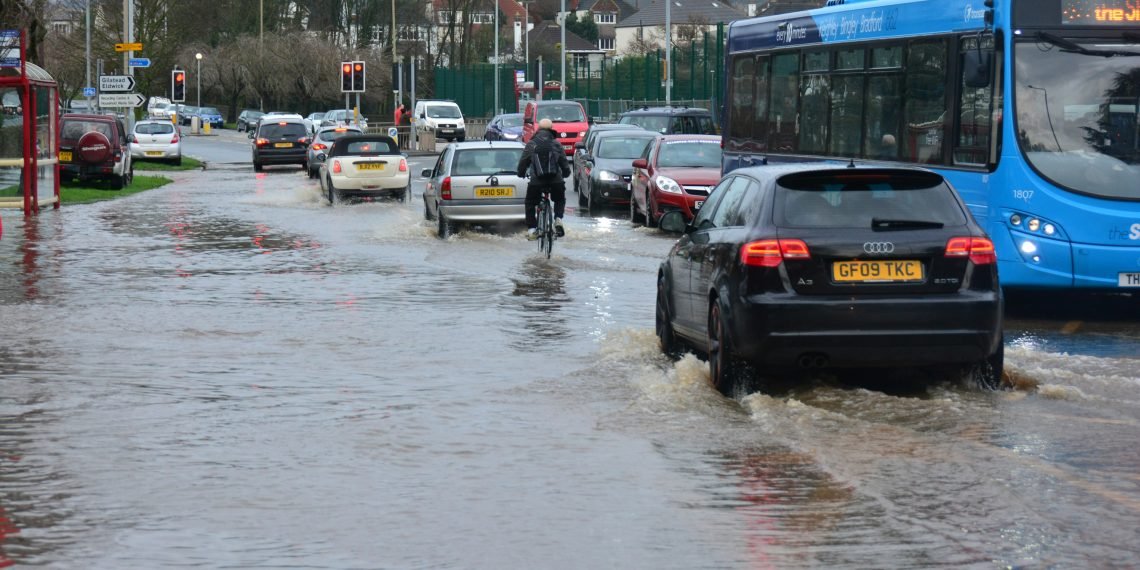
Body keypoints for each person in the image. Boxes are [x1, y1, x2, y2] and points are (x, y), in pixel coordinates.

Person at [517, 118, 570, 240]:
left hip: (537, 181)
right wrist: (566, 174)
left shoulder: (532, 144)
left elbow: (523, 162)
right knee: (559, 199)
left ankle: (532, 230)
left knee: (530, 203)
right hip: (556, 180)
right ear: (551, 129)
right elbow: (564, 163)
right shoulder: (556, 143)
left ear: (538, 129)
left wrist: (521, 173)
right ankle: (558, 219)